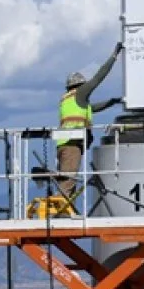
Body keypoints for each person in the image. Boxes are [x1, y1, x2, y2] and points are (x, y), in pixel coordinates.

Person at [55, 42, 124, 197]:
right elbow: (98, 77)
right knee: (68, 181)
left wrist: (111, 102)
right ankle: (61, 214)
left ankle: (64, 209)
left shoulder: (69, 99)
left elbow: (92, 108)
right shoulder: (80, 93)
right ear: (80, 85)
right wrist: (114, 56)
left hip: (63, 144)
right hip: (72, 144)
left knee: (65, 179)